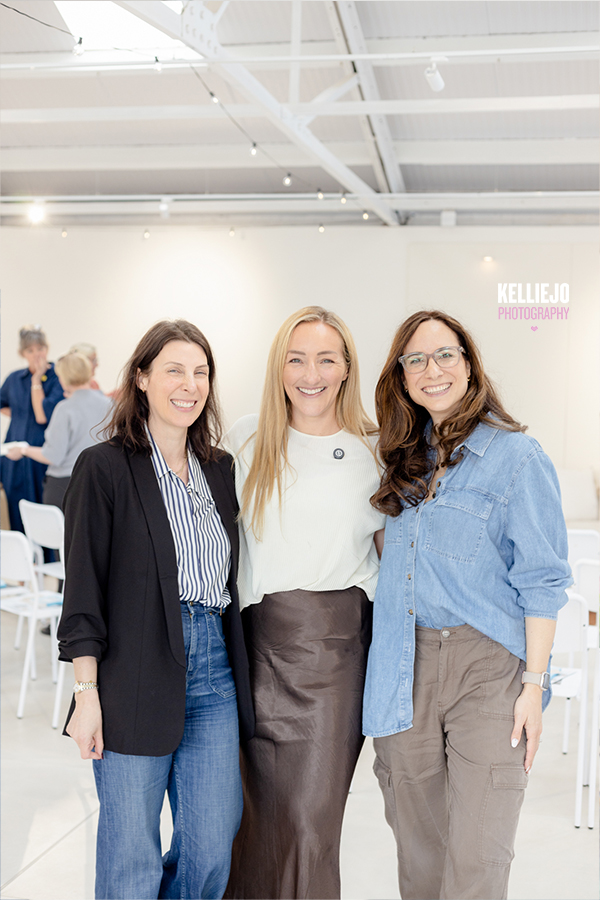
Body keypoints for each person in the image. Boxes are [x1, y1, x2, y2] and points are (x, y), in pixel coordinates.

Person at [363, 309, 571, 900]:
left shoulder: (518, 457)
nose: (432, 370)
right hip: (403, 665)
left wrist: (533, 685)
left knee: (479, 856)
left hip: (487, 668)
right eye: (416, 360)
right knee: (419, 856)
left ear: (469, 364)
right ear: (402, 376)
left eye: (445, 355)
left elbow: (543, 581)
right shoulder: (397, 460)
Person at [57, 320, 254, 900]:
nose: (189, 385)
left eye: (201, 372)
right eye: (174, 370)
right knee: (131, 856)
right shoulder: (104, 467)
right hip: (133, 670)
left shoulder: (220, 469)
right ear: (141, 378)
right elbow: (83, 594)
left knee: (212, 847)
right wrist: (87, 695)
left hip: (214, 669)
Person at [224, 306, 385, 900]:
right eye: (296, 359)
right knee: (253, 821)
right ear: (279, 367)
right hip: (253, 652)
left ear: (346, 368)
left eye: (325, 359)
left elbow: (395, 559)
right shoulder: (246, 439)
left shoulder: (375, 448)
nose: (310, 374)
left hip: (335, 655)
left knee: (309, 823)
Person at [5, 351, 112, 509]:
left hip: (66, 486)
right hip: (102, 485)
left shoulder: (65, 409)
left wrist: (23, 450)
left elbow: (53, 455)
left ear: (64, 378)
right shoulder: (111, 405)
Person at [0, 325, 64, 530]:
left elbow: (41, 415)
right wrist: (20, 415)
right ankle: (23, 549)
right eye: (30, 350)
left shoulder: (57, 377)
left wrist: (37, 379)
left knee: (42, 509)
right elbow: (2, 404)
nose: (36, 354)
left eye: (40, 349)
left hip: (41, 453)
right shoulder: (14, 378)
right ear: (22, 354)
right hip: (14, 454)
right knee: (16, 508)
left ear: (47, 349)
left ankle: (45, 550)